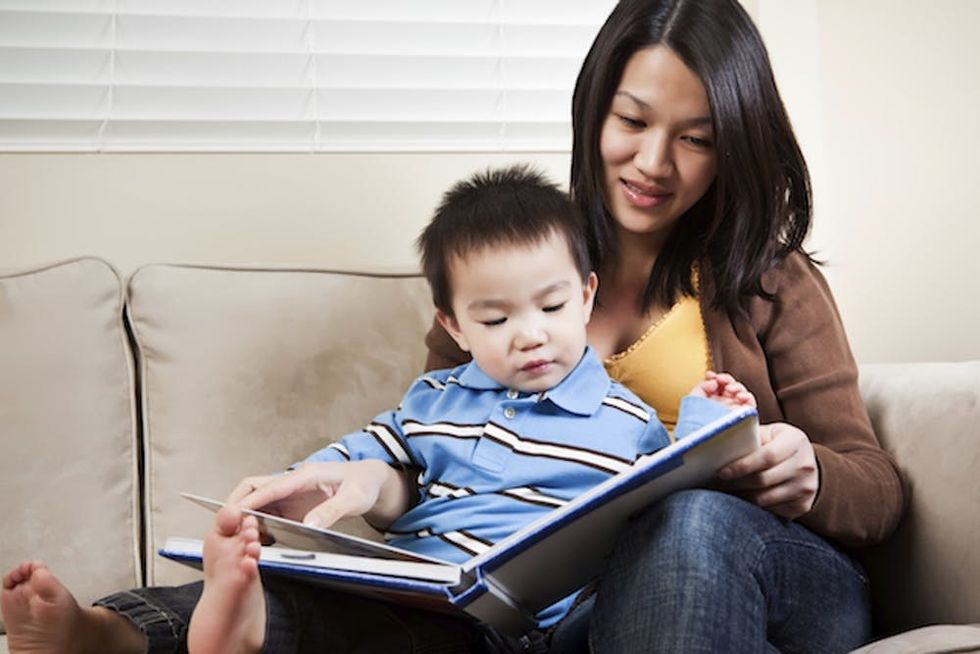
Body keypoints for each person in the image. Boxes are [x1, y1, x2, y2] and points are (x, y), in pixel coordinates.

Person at [1, 165, 756, 654]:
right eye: (493, 321)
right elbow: (375, 453)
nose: (528, 335)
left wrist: (702, 422)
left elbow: (668, 504)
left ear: (586, 295)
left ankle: (239, 631)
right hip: (424, 591)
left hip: (533, 627)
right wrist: (315, 482)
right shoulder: (434, 400)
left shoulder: (625, 420)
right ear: (453, 327)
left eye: (552, 306)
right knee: (292, 591)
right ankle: (107, 633)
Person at [424, 1, 909, 652]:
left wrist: (812, 473)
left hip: (771, 569)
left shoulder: (771, 278)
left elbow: (878, 492)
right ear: (595, 109)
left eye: (696, 138)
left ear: (731, 145)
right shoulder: (503, 271)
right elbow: (425, 446)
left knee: (685, 520)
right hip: (580, 604)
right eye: (632, 120)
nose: (653, 162)